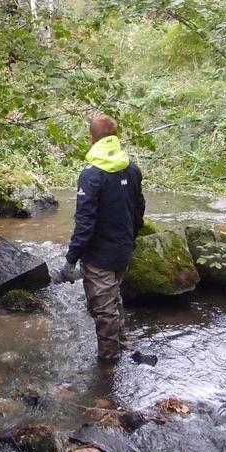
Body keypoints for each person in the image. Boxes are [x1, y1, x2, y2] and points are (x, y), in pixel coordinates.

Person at [61, 115, 146, 361]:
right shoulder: (131, 168)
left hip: (99, 256)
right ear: (115, 138)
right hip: (122, 250)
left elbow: (85, 222)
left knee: (103, 309)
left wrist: (70, 260)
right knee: (112, 297)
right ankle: (124, 342)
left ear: (92, 139)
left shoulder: (91, 175)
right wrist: (132, 238)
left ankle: (108, 363)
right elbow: (138, 208)